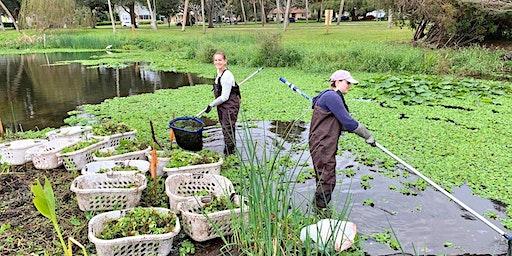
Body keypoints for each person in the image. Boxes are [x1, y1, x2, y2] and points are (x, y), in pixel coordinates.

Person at [309, 69, 376, 212]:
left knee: (323, 176)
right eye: (347, 83)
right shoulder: (332, 97)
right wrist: (368, 135)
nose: (349, 86)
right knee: (327, 178)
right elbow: (349, 122)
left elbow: (341, 122)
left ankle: (318, 207)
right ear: (338, 82)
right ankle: (320, 210)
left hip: (322, 142)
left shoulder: (329, 96)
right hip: (323, 143)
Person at [204, 52, 241, 155]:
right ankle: (231, 150)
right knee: (226, 128)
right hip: (222, 106)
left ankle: (229, 154)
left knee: (227, 129)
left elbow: (225, 97)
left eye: (220, 60)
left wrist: (211, 104)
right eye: (215, 60)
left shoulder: (227, 75)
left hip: (229, 105)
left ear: (225, 61)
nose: (217, 62)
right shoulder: (219, 72)